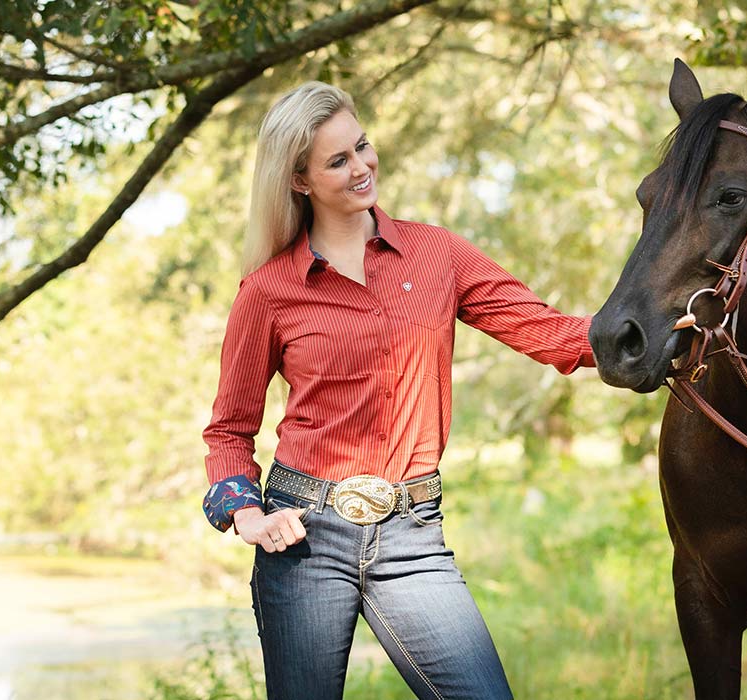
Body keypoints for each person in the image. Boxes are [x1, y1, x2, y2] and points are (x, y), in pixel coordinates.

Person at [199, 81, 594, 700]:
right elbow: (229, 430)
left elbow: (550, 332)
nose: (362, 168)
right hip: (303, 535)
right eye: (338, 160)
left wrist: (658, 329)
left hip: (413, 533)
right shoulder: (268, 290)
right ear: (299, 180)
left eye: (362, 147)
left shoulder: (438, 255)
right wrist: (245, 513)